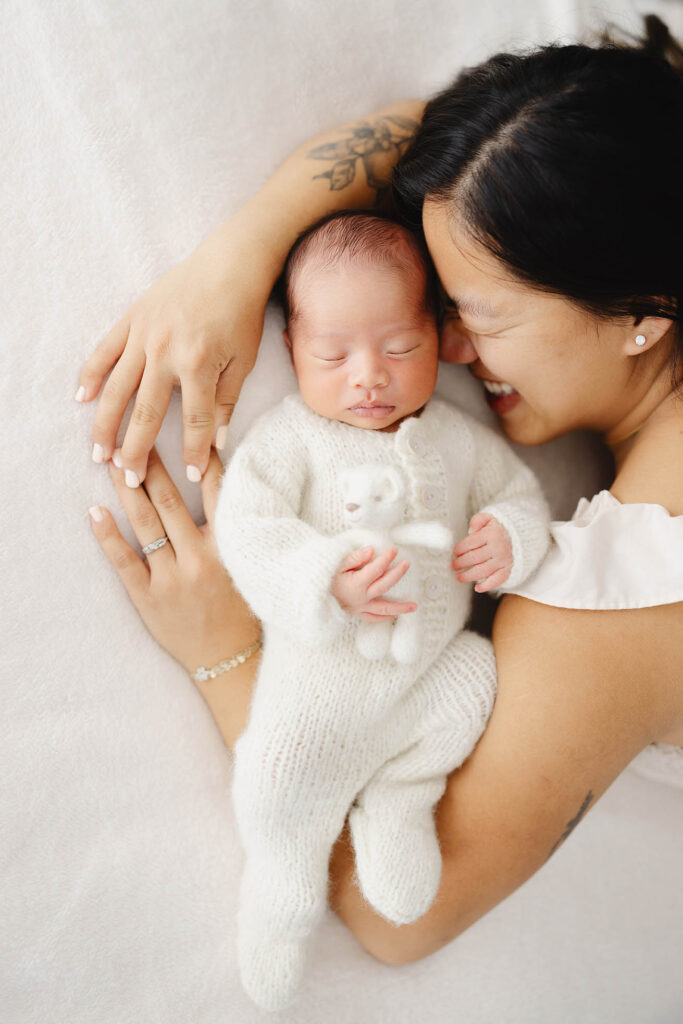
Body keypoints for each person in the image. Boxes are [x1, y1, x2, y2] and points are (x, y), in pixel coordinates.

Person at [84, 15, 683, 968]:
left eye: (477, 317)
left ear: (644, 317)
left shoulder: (624, 597)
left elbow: (406, 912)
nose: (444, 351)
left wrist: (228, 648)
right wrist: (239, 262)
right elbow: (439, 137)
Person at [214, 210, 549, 1009]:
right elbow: (248, 530)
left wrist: (507, 536)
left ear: (438, 340)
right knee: (275, 779)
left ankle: (402, 798)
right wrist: (324, 577)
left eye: (398, 348)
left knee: (476, 679)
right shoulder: (289, 440)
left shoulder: (459, 440)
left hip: (427, 675)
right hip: (319, 683)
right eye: (332, 355)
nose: (368, 376)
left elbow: (520, 497)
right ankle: (280, 889)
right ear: (291, 350)